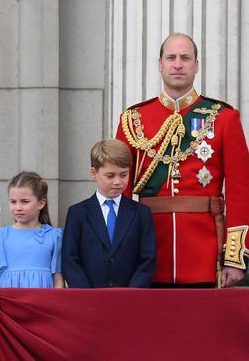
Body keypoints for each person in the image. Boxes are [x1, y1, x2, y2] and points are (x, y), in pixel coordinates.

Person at [116, 33, 249, 288]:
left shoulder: (223, 118)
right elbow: (118, 191)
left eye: (185, 58)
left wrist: (234, 257)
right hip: (148, 252)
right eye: (171, 58)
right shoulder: (133, 120)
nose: (178, 64)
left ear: (196, 65)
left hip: (206, 255)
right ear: (160, 65)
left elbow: (240, 193)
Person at [62, 139, 156, 288]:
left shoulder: (141, 213)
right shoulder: (77, 213)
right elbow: (70, 259)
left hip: (130, 298)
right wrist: (86, 294)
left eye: (123, 175)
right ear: (94, 173)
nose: (118, 182)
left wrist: (132, 293)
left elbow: (147, 259)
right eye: (110, 176)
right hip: (89, 299)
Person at [0, 172, 63, 288]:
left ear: (41, 203)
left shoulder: (54, 236)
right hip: (9, 303)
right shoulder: (0, 236)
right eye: (13, 202)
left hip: (41, 303)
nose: (18, 207)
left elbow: (58, 280)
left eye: (24, 201)